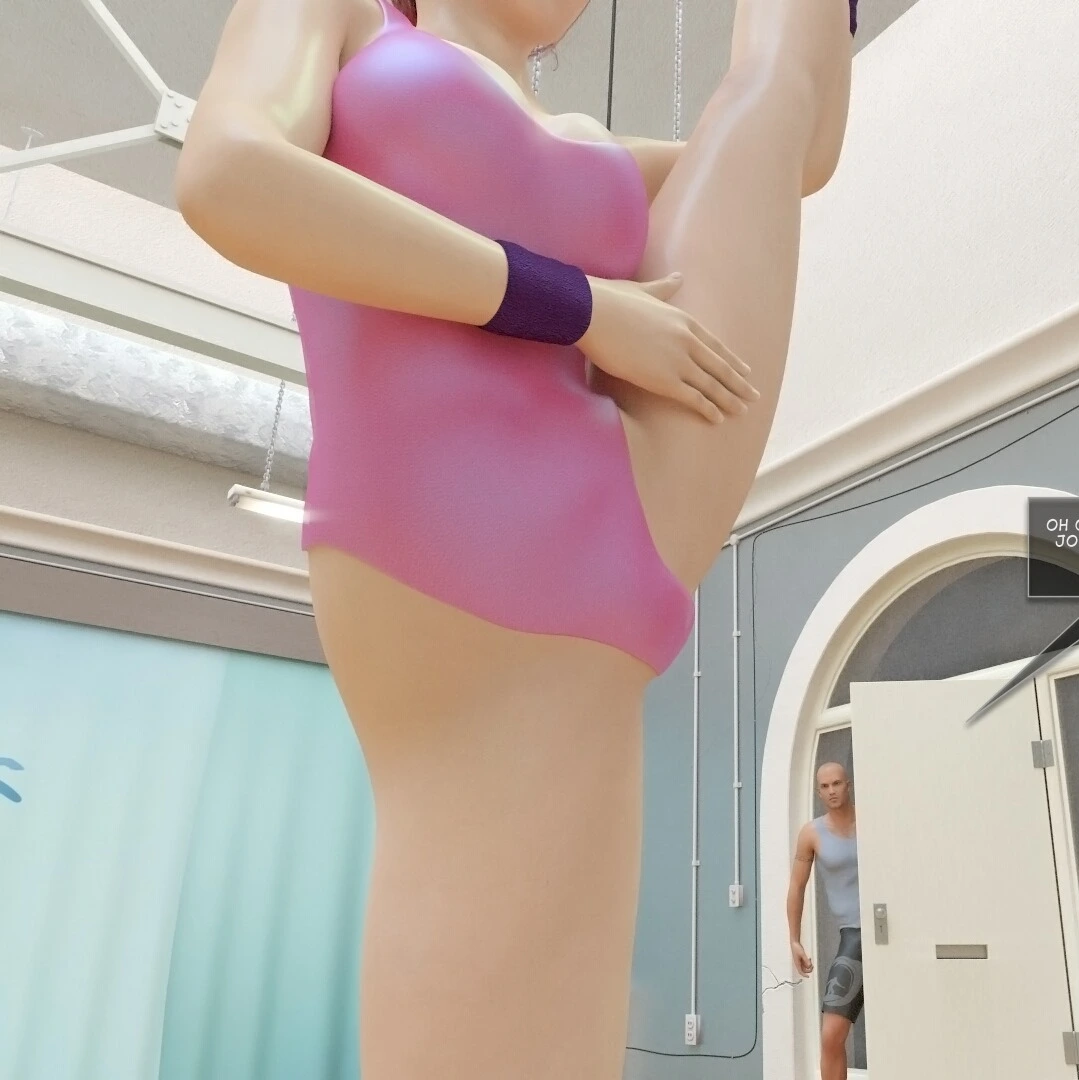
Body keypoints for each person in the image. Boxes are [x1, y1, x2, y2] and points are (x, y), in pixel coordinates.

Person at [174, 0, 857, 1076]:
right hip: (440, 548)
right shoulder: (348, 22)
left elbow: (799, 155)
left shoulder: (589, 144)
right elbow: (228, 176)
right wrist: (578, 307)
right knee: (494, 960)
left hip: (623, 503)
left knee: (771, 99)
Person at [788, 761, 863, 1080]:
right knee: (831, 1035)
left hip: (889, 931)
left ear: (848, 785)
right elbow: (796, 886)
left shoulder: (872, 817)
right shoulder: (811, 833)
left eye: (837, 783)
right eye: (825, 786)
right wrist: (794, 939)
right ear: (819, 792)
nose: (832, 790)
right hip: (854, 939)